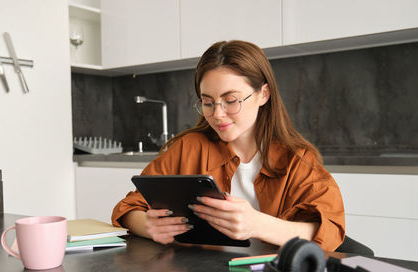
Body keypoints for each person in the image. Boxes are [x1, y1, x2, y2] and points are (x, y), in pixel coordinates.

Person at [111, 40, 345, 251]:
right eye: (208, 102)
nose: (218, 114)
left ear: (263, 94)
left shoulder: (296, 160)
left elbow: (330, 230)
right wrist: (147, 225)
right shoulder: (188, 148)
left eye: (231, 100)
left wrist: (257, 225)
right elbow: (128, 208)